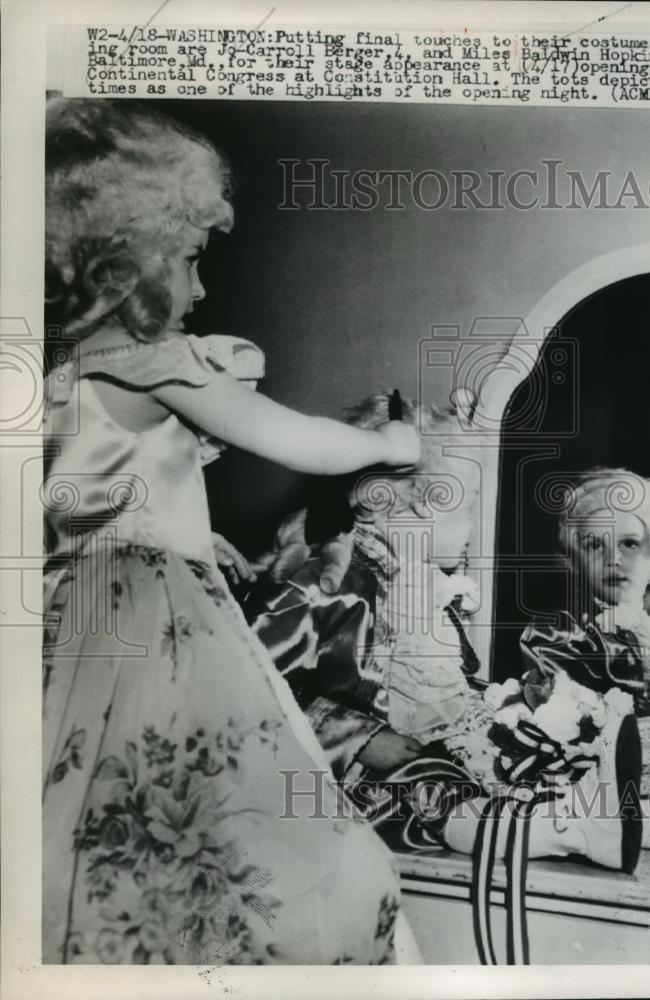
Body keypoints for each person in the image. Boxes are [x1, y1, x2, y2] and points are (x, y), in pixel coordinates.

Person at [42, 98, 422, 965]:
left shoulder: (64, 372)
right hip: (155, 624)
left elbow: (90, 500)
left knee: (109, 827)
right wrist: (389, 443)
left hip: (80, 621)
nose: (202, 286)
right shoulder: (155, 360)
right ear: (125, 259)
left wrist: (184, 534)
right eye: (187, 258)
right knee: (279, 834)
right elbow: (296, 440)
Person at [253, 454, 650, 869]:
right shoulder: (333, 586)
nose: (468, 529)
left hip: (437, 756)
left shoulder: (427, 596)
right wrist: (359, 737)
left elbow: (442, 687)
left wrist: (501, 699)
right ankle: (600, 828)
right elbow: (251, 689)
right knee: (484, 809)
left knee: (544, 784)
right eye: (458, 511)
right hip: (367, 783)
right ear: (397, 508)